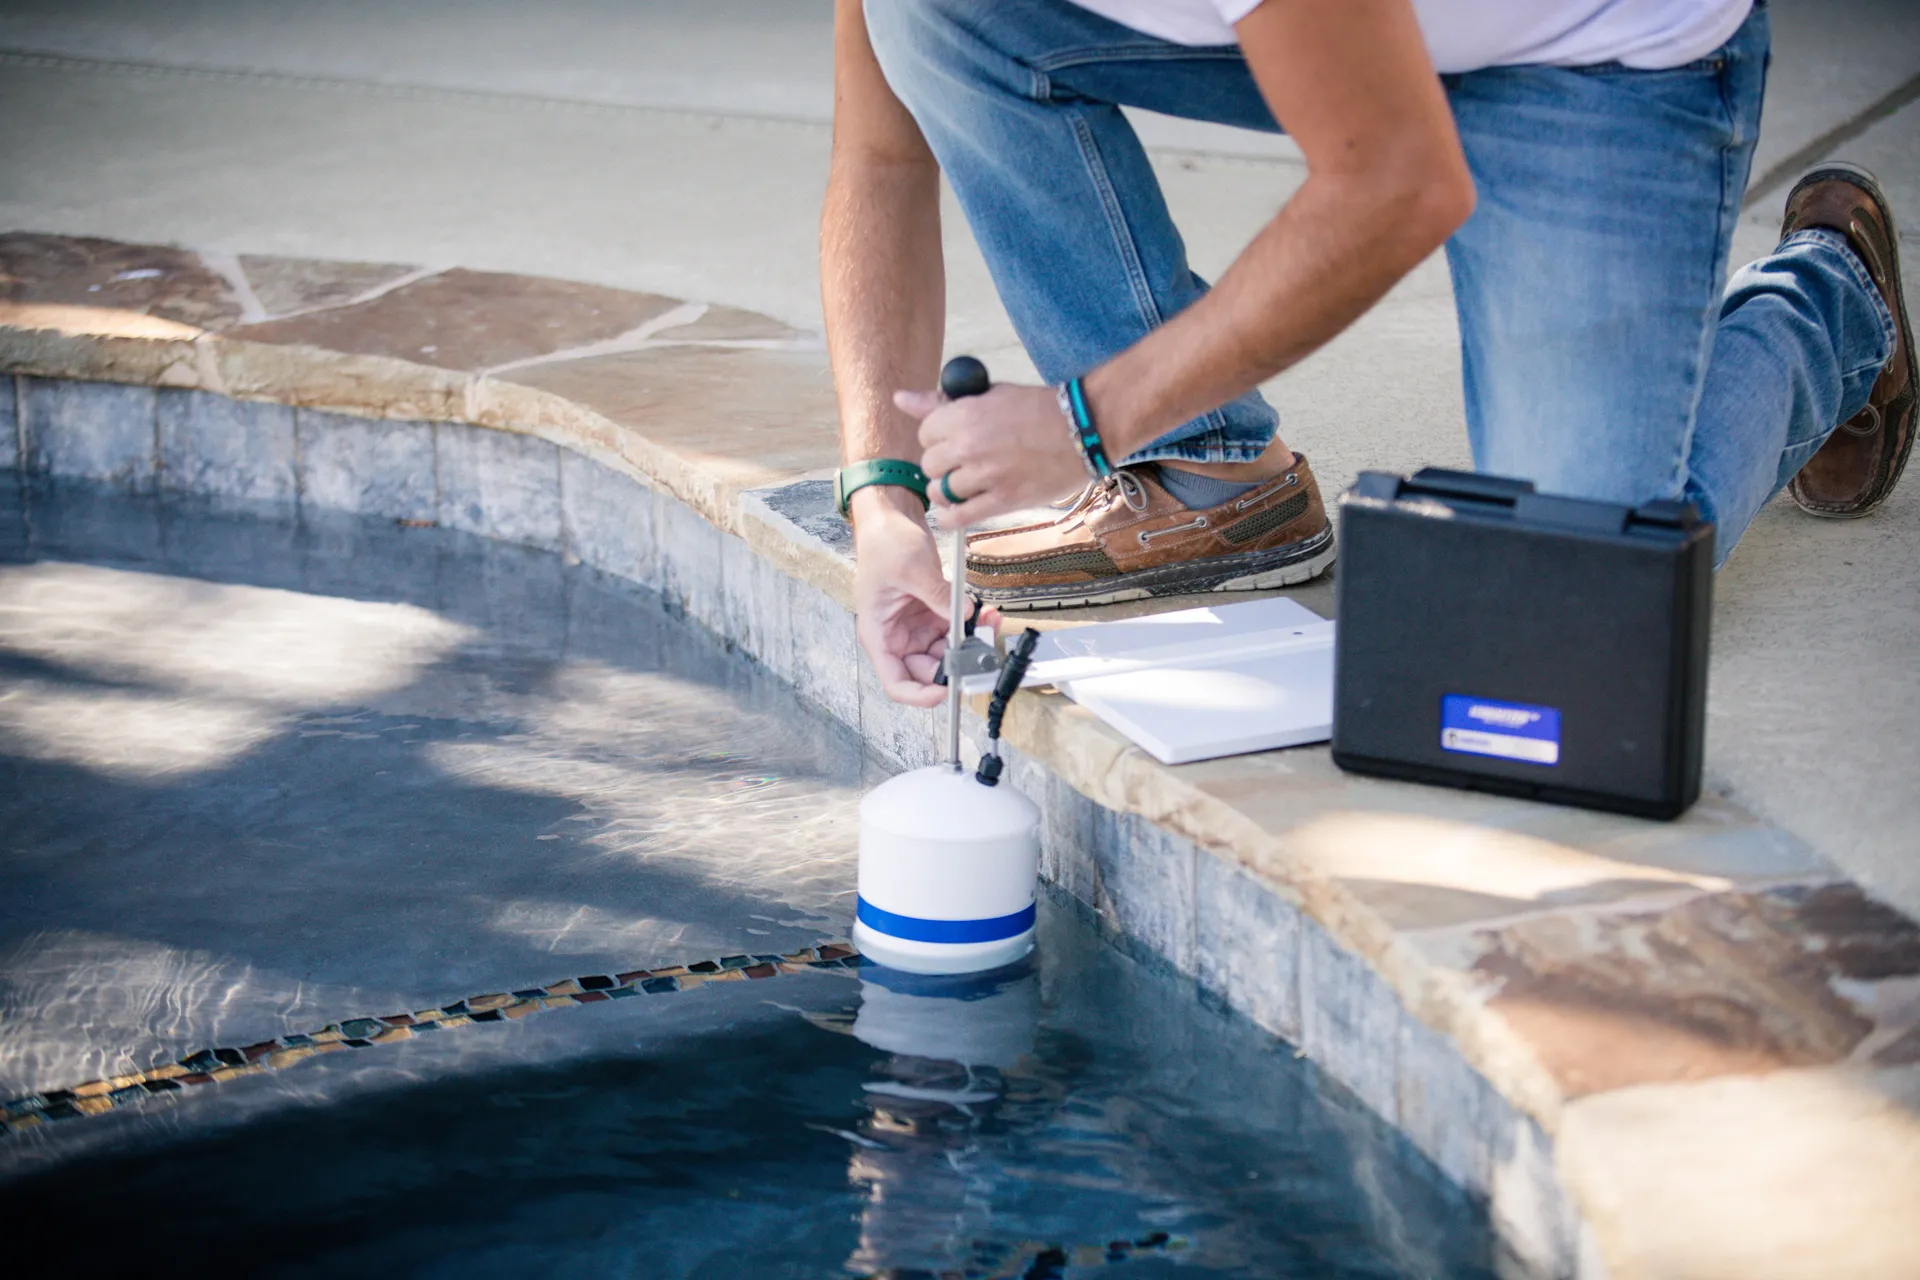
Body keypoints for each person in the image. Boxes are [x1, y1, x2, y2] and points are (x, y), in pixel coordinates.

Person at [822, 0, 1912, 708]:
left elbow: (1399, 183)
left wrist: (1083, 416)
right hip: (1334, 36)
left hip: (1593, 64)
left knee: (1565, 634)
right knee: (931, 14)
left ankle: (1832, 304)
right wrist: (885, 504)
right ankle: (1208, 470)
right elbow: (878, 150)